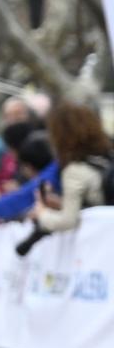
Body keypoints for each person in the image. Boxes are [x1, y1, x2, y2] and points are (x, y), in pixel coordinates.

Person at [20, 101, 112, 249]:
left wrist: (42, 214)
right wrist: (62, 203)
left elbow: (68, 221)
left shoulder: (74, 170)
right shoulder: (106, 158)